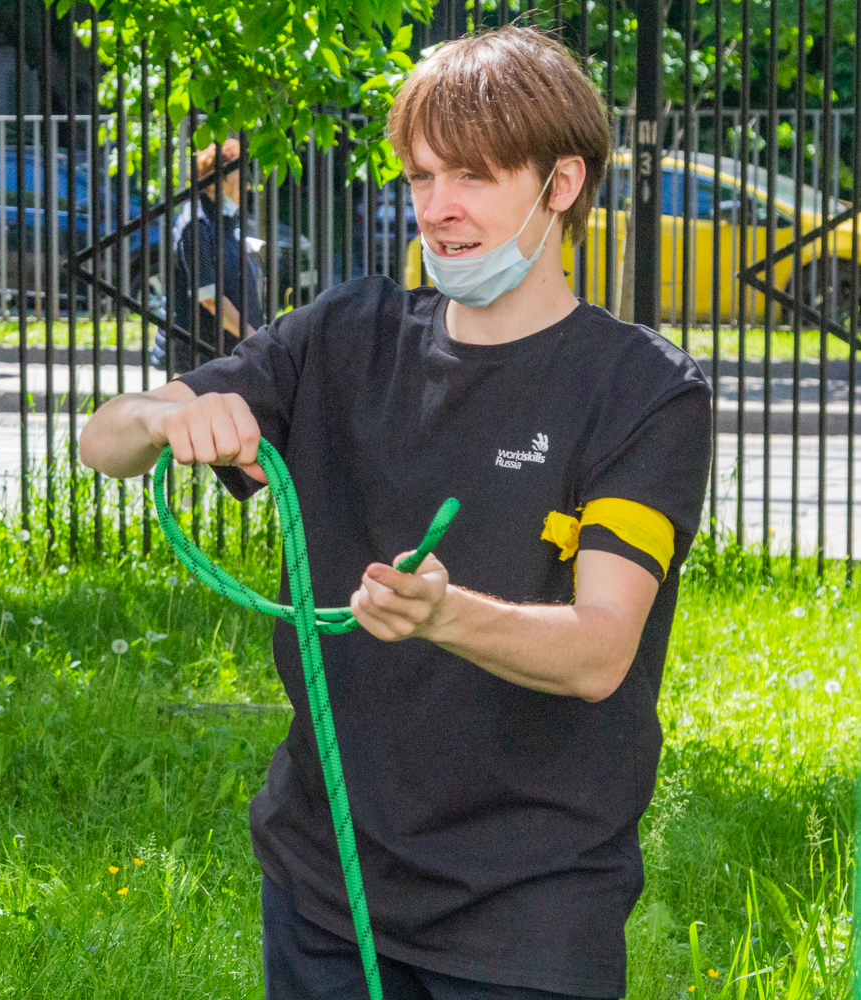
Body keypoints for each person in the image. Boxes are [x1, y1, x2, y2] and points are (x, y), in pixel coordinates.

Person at [81, 26, 711, 1000]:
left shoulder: (643, 390)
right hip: (324, 885)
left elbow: (598, 653)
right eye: (421, 176)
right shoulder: (349, 333)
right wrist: (166, 416)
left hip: (530, 912)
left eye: (473, 176)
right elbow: (103, 442)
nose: (437, 208)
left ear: (562, 183)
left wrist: (443, 614)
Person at [154, 138, 266, 374]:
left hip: (218, 355)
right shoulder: (197, 225)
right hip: (196, 358)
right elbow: (208, 297)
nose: (247, 186)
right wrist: (254, 339)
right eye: (240, 179)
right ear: (215, 183)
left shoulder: (222, 220)